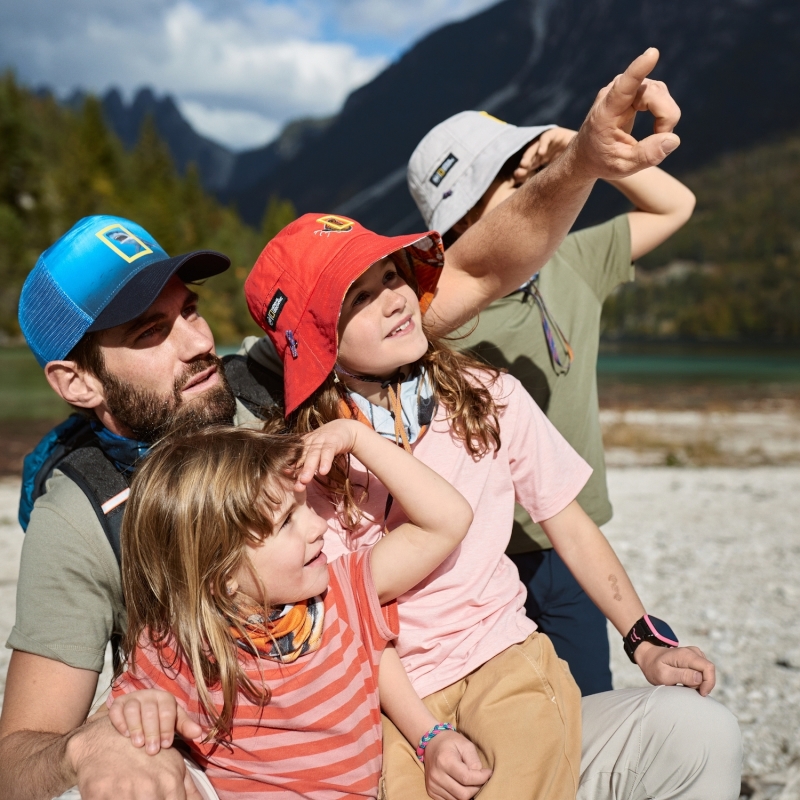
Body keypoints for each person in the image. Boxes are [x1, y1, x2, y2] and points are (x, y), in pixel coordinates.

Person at [0, 47, 685, 800]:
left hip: (386, 719)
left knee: (683, 735)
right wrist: (83, 752)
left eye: (189, 309)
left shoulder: (273, 384)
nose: (198, 343)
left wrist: (581, 160)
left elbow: (487, 267)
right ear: (74, 381)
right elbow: (17, 756)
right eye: (147, 334)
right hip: (254, 769)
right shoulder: (82, 511)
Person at [242, 210, 742, 799]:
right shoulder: (307, 466)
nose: (394, 300)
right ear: (319, 341)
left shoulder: (491, 396)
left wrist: (645, 640)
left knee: (690, 735)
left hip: (505, 659)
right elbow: (345, 621)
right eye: (360, 299)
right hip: (387, 696)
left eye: (394, 276)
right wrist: (427, 736)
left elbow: (570, 526)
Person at [405, 113, 697, 695]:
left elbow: (675, 204)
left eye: (534, 175)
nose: (540, 190)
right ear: (459, 219)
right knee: (495, 704)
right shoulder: (436, 309)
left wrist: (577, 148)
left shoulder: (572, 261)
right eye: (513, 183)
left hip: (574, 545)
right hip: (474, 553)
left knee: (585, 697)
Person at [107, 416, 481, 799]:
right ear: (222, 577)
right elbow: (110, 728)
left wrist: (357, 438)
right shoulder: (177, 649)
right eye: (287, 521)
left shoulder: (343, 593)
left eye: (303, 507)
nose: (318, 524)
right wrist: (139, 710)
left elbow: (448, 521)